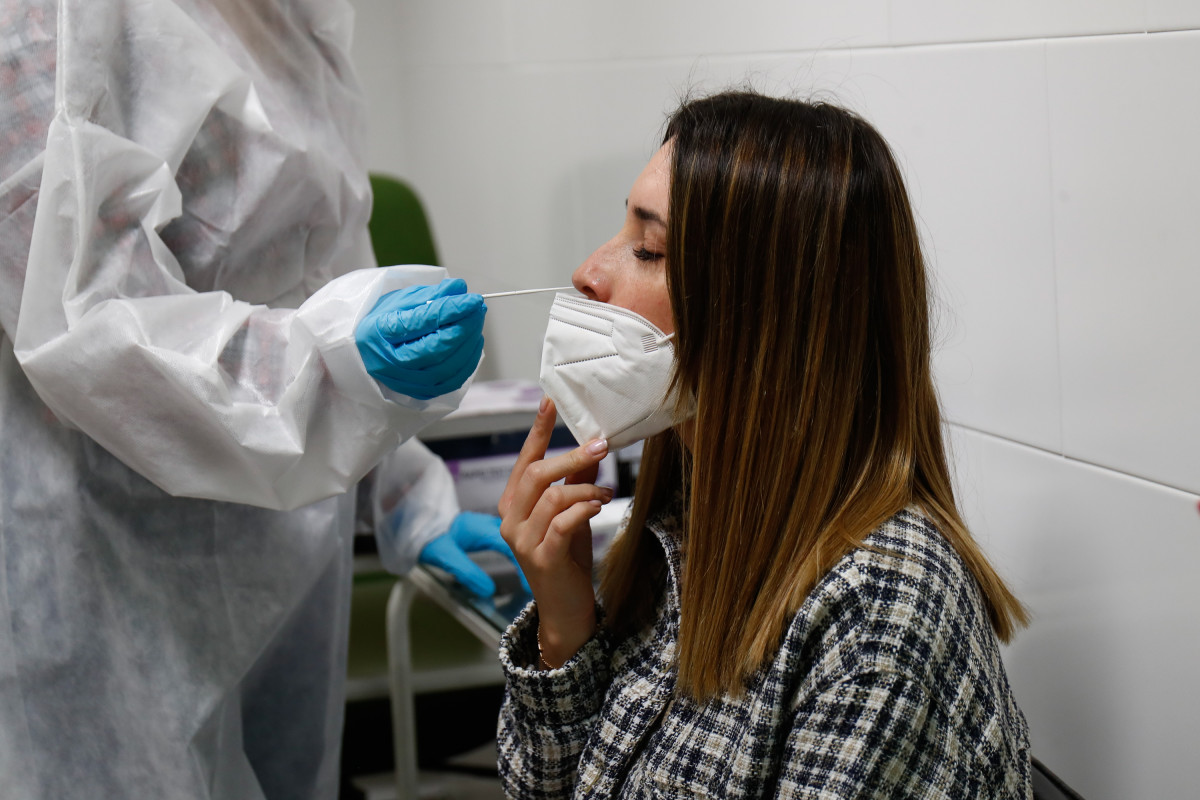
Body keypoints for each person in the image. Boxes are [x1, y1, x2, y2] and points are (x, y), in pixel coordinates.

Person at [0, 1, 516, 798]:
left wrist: (406, 491)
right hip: (107, 563)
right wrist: (332, 364)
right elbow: (88, 325)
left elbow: (308, 273)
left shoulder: (295, 20)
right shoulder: (51, 22)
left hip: (284, 554)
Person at [496, 89, 1033, 798]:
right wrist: (565, 623)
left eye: (648, 250)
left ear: (766, 320)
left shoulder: (877, 615)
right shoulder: (687, 526)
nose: (589, 273)